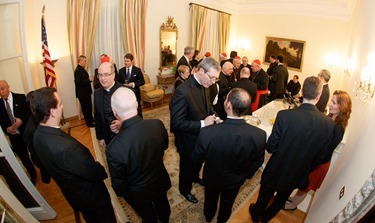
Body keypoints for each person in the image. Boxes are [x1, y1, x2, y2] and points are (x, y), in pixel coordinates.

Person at [249, 76, 334, 223]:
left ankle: (256, 216)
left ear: (301, 91)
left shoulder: (284, 116)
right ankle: (265, 219)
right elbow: (319, 158)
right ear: (319, 95)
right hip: (298, 172)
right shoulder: (328, 124)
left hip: (276, 167)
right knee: (280, 200)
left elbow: (270, 147)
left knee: (264, 197)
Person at [30, 87, 116, 223]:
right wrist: (100, 167)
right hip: (93, 199)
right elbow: (94, 172)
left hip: (75, 196)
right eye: (60, 104)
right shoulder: (68, 149)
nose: (62, 106)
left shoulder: (37, 136)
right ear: (52, 112)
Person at [192, 88, 266, 223]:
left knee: (210, 199)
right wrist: (246, 174)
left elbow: (197, 158)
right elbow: (257, 162)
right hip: (236, 178)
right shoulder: (260, 135)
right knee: (228, 202)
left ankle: (208, 216)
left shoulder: (207, 133)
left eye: (226, 99)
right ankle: (222, 219)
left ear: (228, 105)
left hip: (213, 177)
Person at [106, 87, 171, 223]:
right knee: (163, 205)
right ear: (136, 104)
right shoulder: (157, 124)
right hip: (160, 180)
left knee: (148, 217)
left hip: (138, 193)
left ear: (114, 112)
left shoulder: (114, 148)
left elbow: (119, 186)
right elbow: (164, 147)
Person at [283, 90, 352, 211]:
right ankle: (293, 199)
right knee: (302, 184)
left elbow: (324, 151)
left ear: (342, 107)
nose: (330, 104)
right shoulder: (331, 119)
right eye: (331, 100)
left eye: (334, 102)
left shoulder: (338, 129)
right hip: (314, 159)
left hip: (319, 163)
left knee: (306, 187)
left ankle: (292, 206)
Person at [170, 57, 221, 203]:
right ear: (200, 70)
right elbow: (176, 123)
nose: (213, 82)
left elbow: (208, 106)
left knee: (198, 162)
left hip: (202, 138)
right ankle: (184, 190)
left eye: (215, 79)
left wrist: (215, 117)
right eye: (212, 78)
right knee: (186, 167)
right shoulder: (182, 91)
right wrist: (202, 124)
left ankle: (195, 177)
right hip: (188, 141)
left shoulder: (206, 85)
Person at [0, 80, 37, 184]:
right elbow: (2, 124)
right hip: (14, 137)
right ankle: (33, 175)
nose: (1, 92)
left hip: (26, 133)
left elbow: (29, 114)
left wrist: (21, 120)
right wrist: (7, 129)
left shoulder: (20, 98)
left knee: (35, 152)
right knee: (24, 158)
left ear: (8, 87)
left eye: (2, 89)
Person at [94, 62, 123, 148]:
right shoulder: (97, 93)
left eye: (106, 74)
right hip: (107, 136)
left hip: (124, 134)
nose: (102, 78)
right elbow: (97, 117)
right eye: (100, 75)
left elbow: (137, 115)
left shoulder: (124, 90)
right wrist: (101, 137)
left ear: (113, 75)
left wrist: (122, 122)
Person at [118, 53, 145, 118]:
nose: (125, 63)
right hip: (124, 95)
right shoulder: (121, 71)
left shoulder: (137, 70)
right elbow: (118, 82)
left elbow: (142, 82)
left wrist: (133, 84)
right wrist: (123, 85)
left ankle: (140, 122)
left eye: (127, 61)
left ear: (132, 61)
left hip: (135, 94)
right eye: (125, 61)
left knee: (138, 110)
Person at [74, 55, 95, 127]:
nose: (86, 62)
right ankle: (89, 123)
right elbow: (79, 82)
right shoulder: (77, 70)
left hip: (86, 93)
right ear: (81, 61)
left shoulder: (81, 69)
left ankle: (91, 120)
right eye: (85, 61)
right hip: (83, 94)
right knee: (86, 109)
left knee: (89, 107)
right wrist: (89, 79)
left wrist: (89, 80)